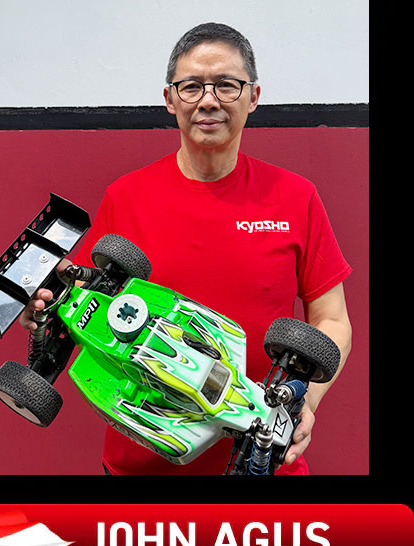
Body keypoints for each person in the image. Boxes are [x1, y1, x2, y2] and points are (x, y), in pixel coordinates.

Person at [20, 23, 352, 476]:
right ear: (170, 99)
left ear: (253, 96)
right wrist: (45, 312)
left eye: (226, 85)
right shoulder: (126, 197)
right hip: (140, 465)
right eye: (191, 86)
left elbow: (332, 320)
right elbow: (86, 305)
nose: (208, 100)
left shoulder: (296, 198)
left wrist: (299, 403)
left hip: (259, 460)